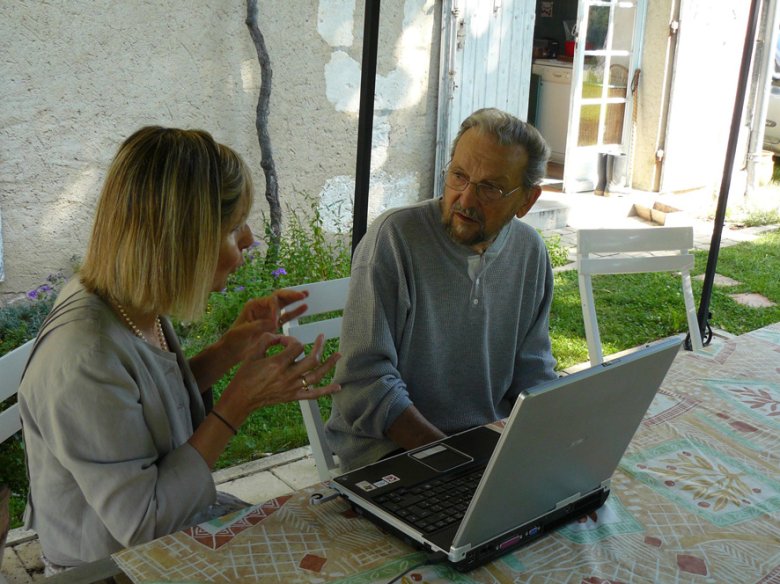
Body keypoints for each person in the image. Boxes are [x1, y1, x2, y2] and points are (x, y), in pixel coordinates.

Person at [18, 126, 341, 571]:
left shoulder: (130, 301)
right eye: (233, 227)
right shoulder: (83, 357)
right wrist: (237, 404)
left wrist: (230, 348)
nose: (248, 240)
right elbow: (145, 523)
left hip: (169, 532)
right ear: (180, 242)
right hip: (110, 566)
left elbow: (144, 403)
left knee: (324, 541)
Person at [325, 108, 558, 471]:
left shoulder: (530, 252)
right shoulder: (395, 238)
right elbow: (363, 382)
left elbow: (534, 372)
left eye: (490, 188)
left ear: (526, 201)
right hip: (389, 453)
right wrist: (453, 462)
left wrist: (548, 442)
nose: (465, 199)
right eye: (459, 176)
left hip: (483, 444)